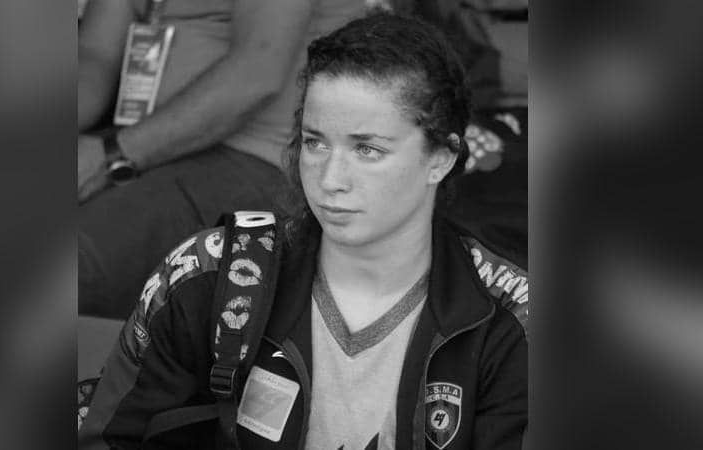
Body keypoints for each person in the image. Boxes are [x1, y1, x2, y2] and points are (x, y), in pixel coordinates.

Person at [82, 12, 528, 449]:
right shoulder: (206, 275)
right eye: (315, 143)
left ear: (441, 159)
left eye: (367, 149)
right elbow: (106, 437)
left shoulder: (512, 320)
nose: (330, 178)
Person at [77, 0, 366, 319]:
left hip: (255, 161)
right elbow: (95, 55)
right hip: (144, 148)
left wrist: (113, 155)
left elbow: (255, 76)